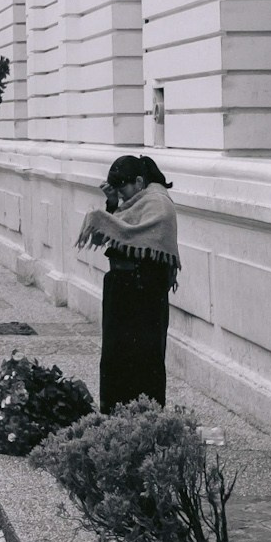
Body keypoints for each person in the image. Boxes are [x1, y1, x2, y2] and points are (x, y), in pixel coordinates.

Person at [76, 154, 180, 412]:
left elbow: (131, 233)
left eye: (123, 189)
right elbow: (114, 231)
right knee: (115, 356)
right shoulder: (132, 204)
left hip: (146, 292)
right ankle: (114, 415)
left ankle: (146, 417)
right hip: (121, 288)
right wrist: (111, 204)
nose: (121, 196)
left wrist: (105, 215)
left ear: (139, 181)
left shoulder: (158, 204)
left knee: (146, 357)